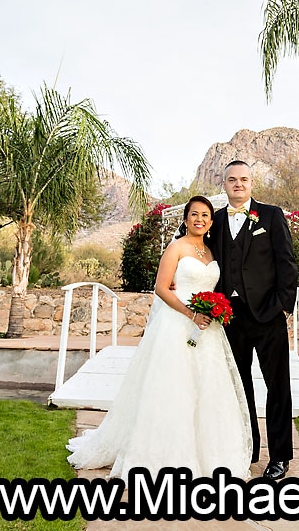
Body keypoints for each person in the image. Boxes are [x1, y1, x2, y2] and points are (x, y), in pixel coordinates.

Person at [67, 196, 251, 480]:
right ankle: (167, 457)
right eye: (194, 214)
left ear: (211, 222)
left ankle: (208, 457)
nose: (199, 219)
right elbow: (162, 288)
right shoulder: (176, 247)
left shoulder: (212, 253)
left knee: (207, 391)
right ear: (186, 218)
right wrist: (191, 314)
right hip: (177, 325)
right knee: (173, 389)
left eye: (204, 215)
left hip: (208, 331)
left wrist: (213, 310)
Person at [209, 160, 298, 480]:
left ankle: (280, 458)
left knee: (278, 387)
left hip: (268, 314)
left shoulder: (271, 216)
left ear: (251, 183)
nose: (238, 184)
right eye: (232, 180)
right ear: (224, 184)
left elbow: (286, 262)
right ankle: (248, 449)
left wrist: (282, 306)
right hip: (229, 317)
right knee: (238, 386)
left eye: (244, 179)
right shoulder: (214, 220)